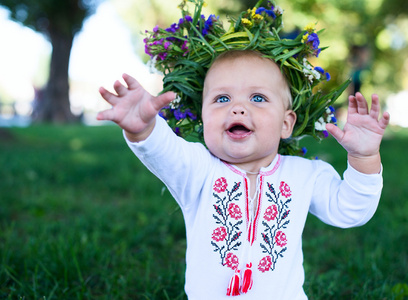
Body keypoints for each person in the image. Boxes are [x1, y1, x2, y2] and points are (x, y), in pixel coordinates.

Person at [97, 2, 390, 299]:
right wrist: (143, 127)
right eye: (222, 98)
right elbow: (164, 151)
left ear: (286, 124)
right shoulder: (198, 170)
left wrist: (363, 157)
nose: (238, 107)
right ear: (202, 116)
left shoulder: (305, 175)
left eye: (258, 98)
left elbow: (351, 210)